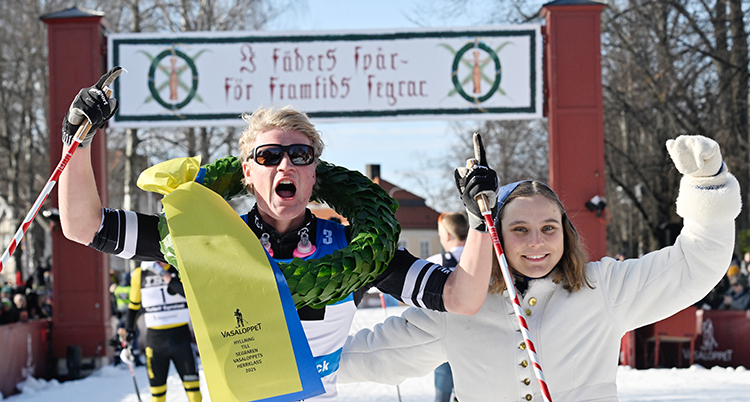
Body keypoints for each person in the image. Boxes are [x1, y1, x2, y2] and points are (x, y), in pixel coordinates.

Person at [57, 68, 498, 401]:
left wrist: (480, 219)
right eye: (268, 156)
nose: (284, 166)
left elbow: (461, 298)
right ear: (247, 173)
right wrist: (77, 141)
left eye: (299, 155)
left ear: (314, 176)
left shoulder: (352, 249)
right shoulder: (205, 243)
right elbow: (85, 226)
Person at [339, 135, 741, 402]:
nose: (536, 242)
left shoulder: (602, 289)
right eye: (519, 229)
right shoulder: (461, 306)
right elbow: (368, 354)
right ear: (496, 235)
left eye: (548, 228)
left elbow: (696, 263)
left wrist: (708, 184)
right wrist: (285, 359)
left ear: (565, 233)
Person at [117, 261, 201, 402]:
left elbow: (189, 294)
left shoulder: (179, 267)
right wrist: (128, 333)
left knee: (193, 391)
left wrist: (165, 275)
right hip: (156, 342)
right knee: (157, 394)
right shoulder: (140, 273)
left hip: (182, 339)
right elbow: (133, 307)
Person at [426, 212, 468, 402]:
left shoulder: (434, 263)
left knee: (441, 397)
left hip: (445, 340)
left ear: (447, 235)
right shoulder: (488, 263)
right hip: (479, 341)